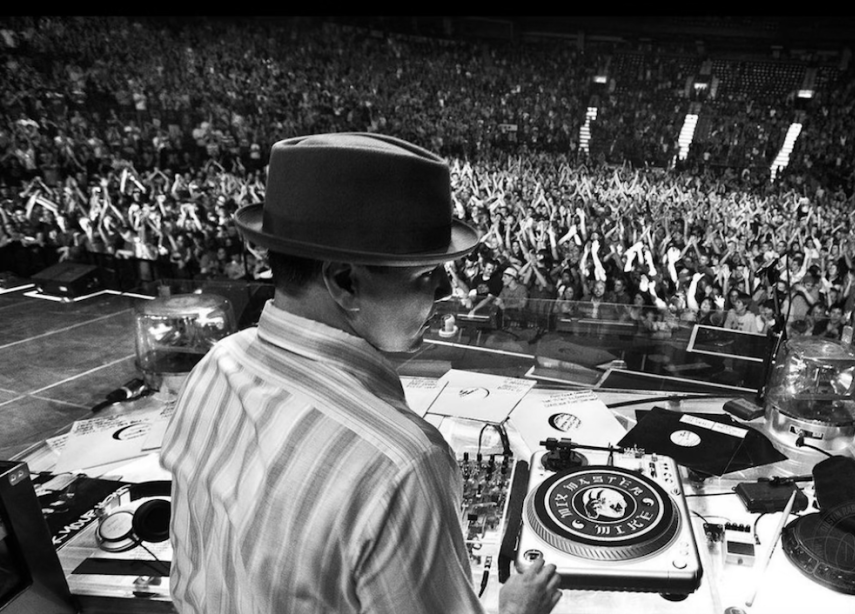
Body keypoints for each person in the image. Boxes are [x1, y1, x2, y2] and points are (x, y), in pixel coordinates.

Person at [160, 133, 561, 614]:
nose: (443, 290)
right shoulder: (402, 463)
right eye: (425, 274)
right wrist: (518, 610)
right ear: (346, 281)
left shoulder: (219, 361)